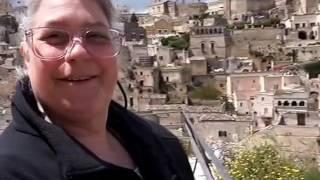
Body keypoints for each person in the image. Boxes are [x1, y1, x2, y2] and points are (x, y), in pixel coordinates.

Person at [0, 0, 194, 180]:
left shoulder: (165, 146)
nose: (79, 52)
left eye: (95, 35)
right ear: (26, 56)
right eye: (54, 36)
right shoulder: (10, 170)